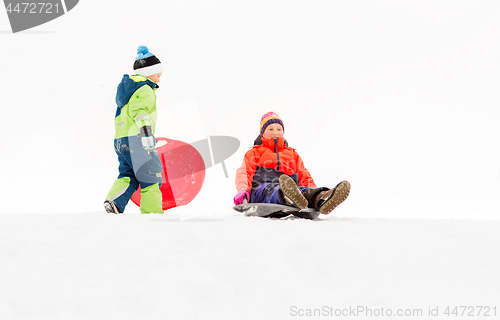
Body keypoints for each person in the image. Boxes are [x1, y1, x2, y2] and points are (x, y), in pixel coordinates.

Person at [234, 112, 350, 215]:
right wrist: (243, 189)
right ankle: (287, 196)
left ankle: (321, 198)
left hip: (292, 188)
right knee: (272, 189)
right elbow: (244, 173)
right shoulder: (254, 153)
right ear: (262, 133)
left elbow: (303, 174)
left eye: (279, 129)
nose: (275, 132)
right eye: (271, 129)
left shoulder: (292, 154)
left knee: (303, 190)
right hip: (262, 189)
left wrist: (312, 189)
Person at [104, 46, 164, 214]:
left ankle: (114, 201)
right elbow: (138, 111)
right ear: (148, 73)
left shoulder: (128, 91)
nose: (159, 80)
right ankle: (152, 213)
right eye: (158, 75)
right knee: (151, 177)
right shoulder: (145, 89)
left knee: (128, 175)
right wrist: (146, 132)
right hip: (138, 139)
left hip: (121, 141)